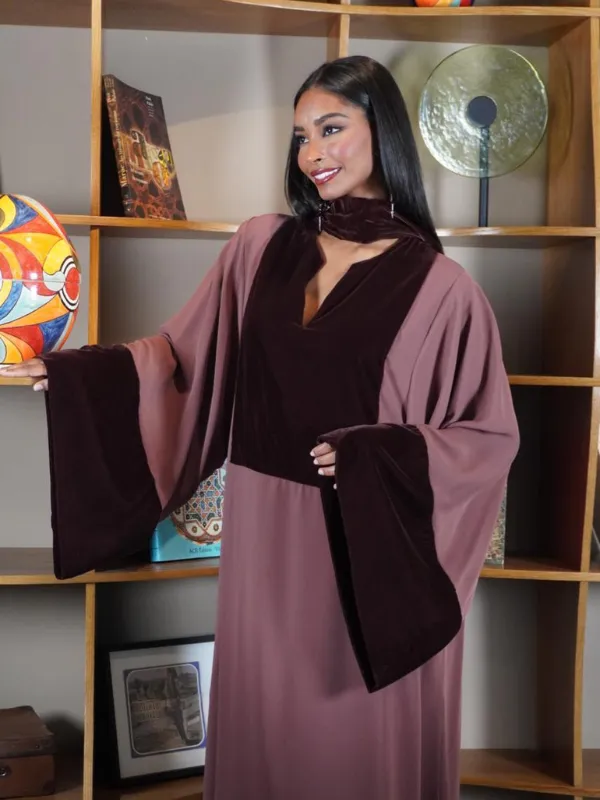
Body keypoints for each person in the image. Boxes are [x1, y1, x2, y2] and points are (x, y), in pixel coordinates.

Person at [0, 55, 520, 799]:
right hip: (264, 542)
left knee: (349, 748)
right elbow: (182, 357)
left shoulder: (444, 291)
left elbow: (486, 440)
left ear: (384, 132)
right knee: (268, 737)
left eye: (332, 129)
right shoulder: (260, 247)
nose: (313, 153)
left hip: (364, 554)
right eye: (302, 135)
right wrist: (84, 376)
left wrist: (384, 453)